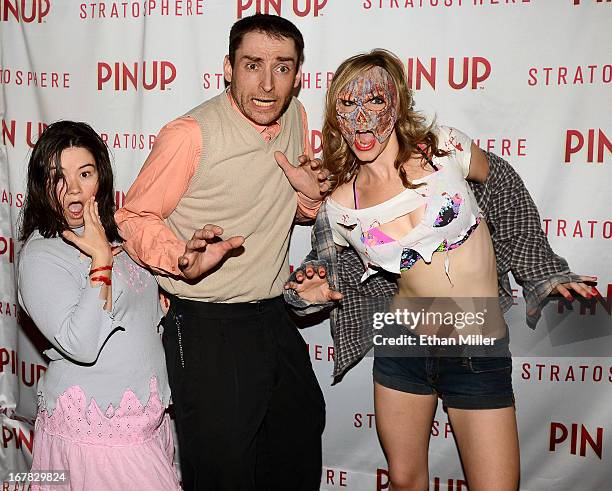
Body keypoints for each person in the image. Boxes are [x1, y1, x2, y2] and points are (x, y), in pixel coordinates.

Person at [284, 50, 596, 491]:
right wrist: (303, 295)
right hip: (403, 342)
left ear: (397, 103)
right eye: (347, 104)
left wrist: (542, 268)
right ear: (335, 114)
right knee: (406, 481)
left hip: (475, 339)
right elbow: (318, 277)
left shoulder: (443, 147)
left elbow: (504, 187)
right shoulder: (338, 203)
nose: (362, 116)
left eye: (374, 100)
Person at [114, 14, 329, 491]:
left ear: (298, 73)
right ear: (228, 68)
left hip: (273, 317)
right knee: (221, 466)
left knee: (297, 439)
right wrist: (181, 260)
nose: (268, 85)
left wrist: (310, 198)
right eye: (253, 65)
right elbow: (131, 217)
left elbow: (291, 207)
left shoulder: (297, 116)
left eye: (283, 67)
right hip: (208, 326)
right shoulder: (190, 134)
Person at [18, 121, 203, 490]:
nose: (72, 189)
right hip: (94, 434)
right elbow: (82, 346)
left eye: (84, 173)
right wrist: (100, 262)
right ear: (42, 184)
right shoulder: (41, 254)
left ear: (100, 177)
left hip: (145, 424)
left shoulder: (117, 236)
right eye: (58, 177)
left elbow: (139, 316)